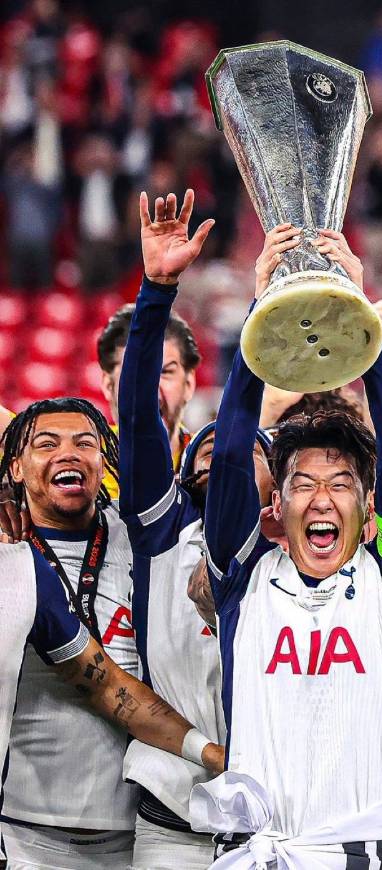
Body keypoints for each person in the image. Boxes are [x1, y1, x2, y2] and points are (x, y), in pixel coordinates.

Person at [198, 211, 382, 867]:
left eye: (341, 483)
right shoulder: (242, 579)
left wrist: (361, 322)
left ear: (367, 505)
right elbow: (230, 456)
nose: (322, 497)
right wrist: (259, 315)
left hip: (362, 853)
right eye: (302, 483)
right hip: (252, 852)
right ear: (276, 503)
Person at [116, 189, 273, 869]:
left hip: (272, 815)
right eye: (198, 450)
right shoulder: (162, 529)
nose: (214, 453)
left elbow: (237, 435)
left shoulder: (287, 555)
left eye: (232, 453)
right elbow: (137, 414)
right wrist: (156, 292)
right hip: (169, 820)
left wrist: (263, 311)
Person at [0, 396, 221, 869]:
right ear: (15, 467)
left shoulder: (140, 538)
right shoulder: (10, 555)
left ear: (104, 461)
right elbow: (107, 685)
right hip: (23, 832)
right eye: (47, 444)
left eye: (85, 443)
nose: (68, 453)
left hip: (138, 832)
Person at [0, 540, 223, 870]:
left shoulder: (21, 568)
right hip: (24, 838)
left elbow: (108, 685)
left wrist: (209, 752)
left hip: (123, 839)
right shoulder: (20, 554)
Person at [97, 297, 200, 497]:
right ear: (108, 385)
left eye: (165, 372)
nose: (149, 387)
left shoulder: (210, 466)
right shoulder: (82, 466)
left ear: (188, 384)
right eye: (134, 372)